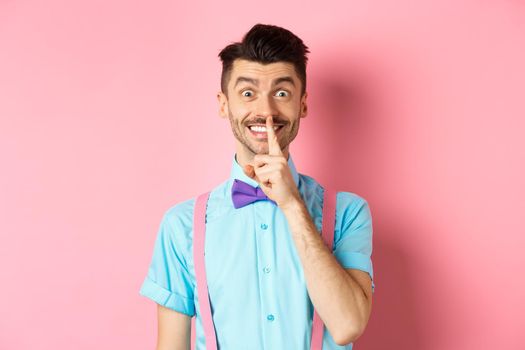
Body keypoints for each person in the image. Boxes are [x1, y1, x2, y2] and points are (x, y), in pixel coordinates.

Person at [139, 23, 375, 350]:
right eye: (248, 93)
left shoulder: (349, 213)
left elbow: (348, 325)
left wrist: (293, 205)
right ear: (224, 104)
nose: (265, 111)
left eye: (281, 93)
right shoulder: (181, 226)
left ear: (303, 104)